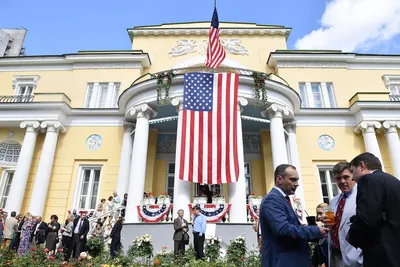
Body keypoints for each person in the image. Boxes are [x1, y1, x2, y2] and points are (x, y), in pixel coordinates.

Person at [259, 164, 328, 267]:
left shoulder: (282, 199)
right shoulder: (272, 199)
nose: (297, 184)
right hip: (283, 261)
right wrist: (316, 231)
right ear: (279, 179)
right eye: (293, 180)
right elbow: (283, 229)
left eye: (297, 180)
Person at [347, 152, 400, 267]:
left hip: (382, 254)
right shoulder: (393, 181)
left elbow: (368, 217)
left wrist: (351, 236)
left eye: (352, 171)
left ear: (362, 166)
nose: (352, 177)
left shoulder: (368, 179)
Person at [329, 162, 363, 267]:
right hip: (336, 254)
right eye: (338, 178)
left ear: (353, 176)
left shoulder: (363, 195)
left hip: (356, 255)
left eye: (346, 177)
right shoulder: (334, 201)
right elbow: (333, 225)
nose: (342, 181)